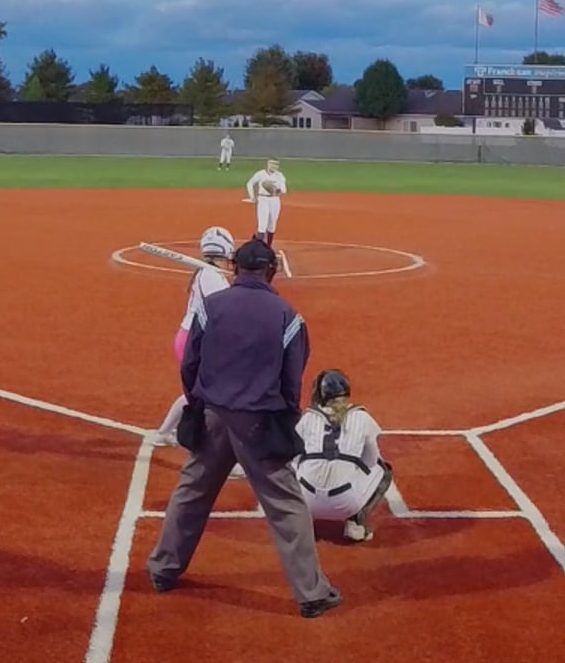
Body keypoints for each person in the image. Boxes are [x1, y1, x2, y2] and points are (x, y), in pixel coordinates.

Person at [148, 238, 341, 619]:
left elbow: (190, 362)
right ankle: (311, 593)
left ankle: (163, 568)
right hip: (259, 421)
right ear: (271, 271)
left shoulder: (211, 307)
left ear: (235, 267)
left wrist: (197, 402)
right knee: (286, 505)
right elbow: (292, 379)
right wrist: (286, 419)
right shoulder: (288, 316)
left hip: (213, 414)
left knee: (191, 492)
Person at [152, 226, 236, 448]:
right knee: (207, 391)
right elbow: (224, 309)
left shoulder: (209, 274)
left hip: (192, 337)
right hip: (195, 340)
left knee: (199, 390)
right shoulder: (211, 276)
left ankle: (163, 433)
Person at [293, 370, 394, 544]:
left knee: (292, 465)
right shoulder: (362, 417)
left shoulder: (308, 417)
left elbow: (293, 457)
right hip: (346, 503)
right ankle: (356, 523)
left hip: (306, 500)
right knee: (384, 471)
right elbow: (371, 460)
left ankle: (299, 521)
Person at [244, 159, 288, 247]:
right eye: (272, 164)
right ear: (268, 164)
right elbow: (249, 183)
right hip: (263, 199)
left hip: (275, 200)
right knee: (262, 224)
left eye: (276, 165)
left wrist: (276, 190)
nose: (274, 166)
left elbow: (284, 189)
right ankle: (259, 247)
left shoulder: (279, 175)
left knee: (272, 224)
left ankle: (268, 246)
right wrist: (252, 196)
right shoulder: (260, 174)